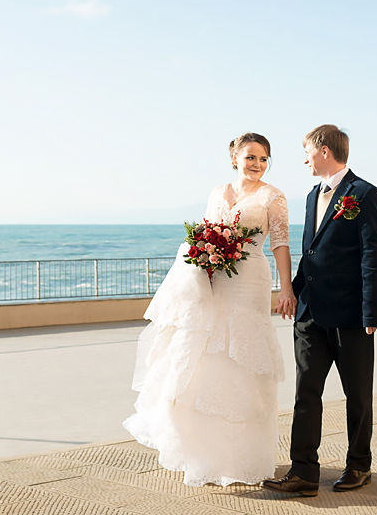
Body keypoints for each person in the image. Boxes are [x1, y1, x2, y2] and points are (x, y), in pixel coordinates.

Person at [124, 132, 296, 486]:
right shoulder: (217, 193)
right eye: (251, 157)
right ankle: (206, 456)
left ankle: (244, 458)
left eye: (264, 159)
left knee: (243, 361)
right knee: (207, 356)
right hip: (214, 281)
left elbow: (280, 244)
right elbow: (204, 232)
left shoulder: (273, 197)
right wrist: (204, 256)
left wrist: (287, 288)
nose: (257, 164)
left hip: (250, 281)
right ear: (234, 157)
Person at [263, 124, 377, 497]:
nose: (304, 160)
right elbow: (310, 253)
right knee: (306, 394)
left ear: (324, 150)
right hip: (310, 315)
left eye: (307, 152)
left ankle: (359, 465)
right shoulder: (311, 195)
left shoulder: (365, 194)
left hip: (351, 318)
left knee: (358, 396)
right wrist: (293, 293)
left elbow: (372, 257)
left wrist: (371, 316)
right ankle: (303, 473)